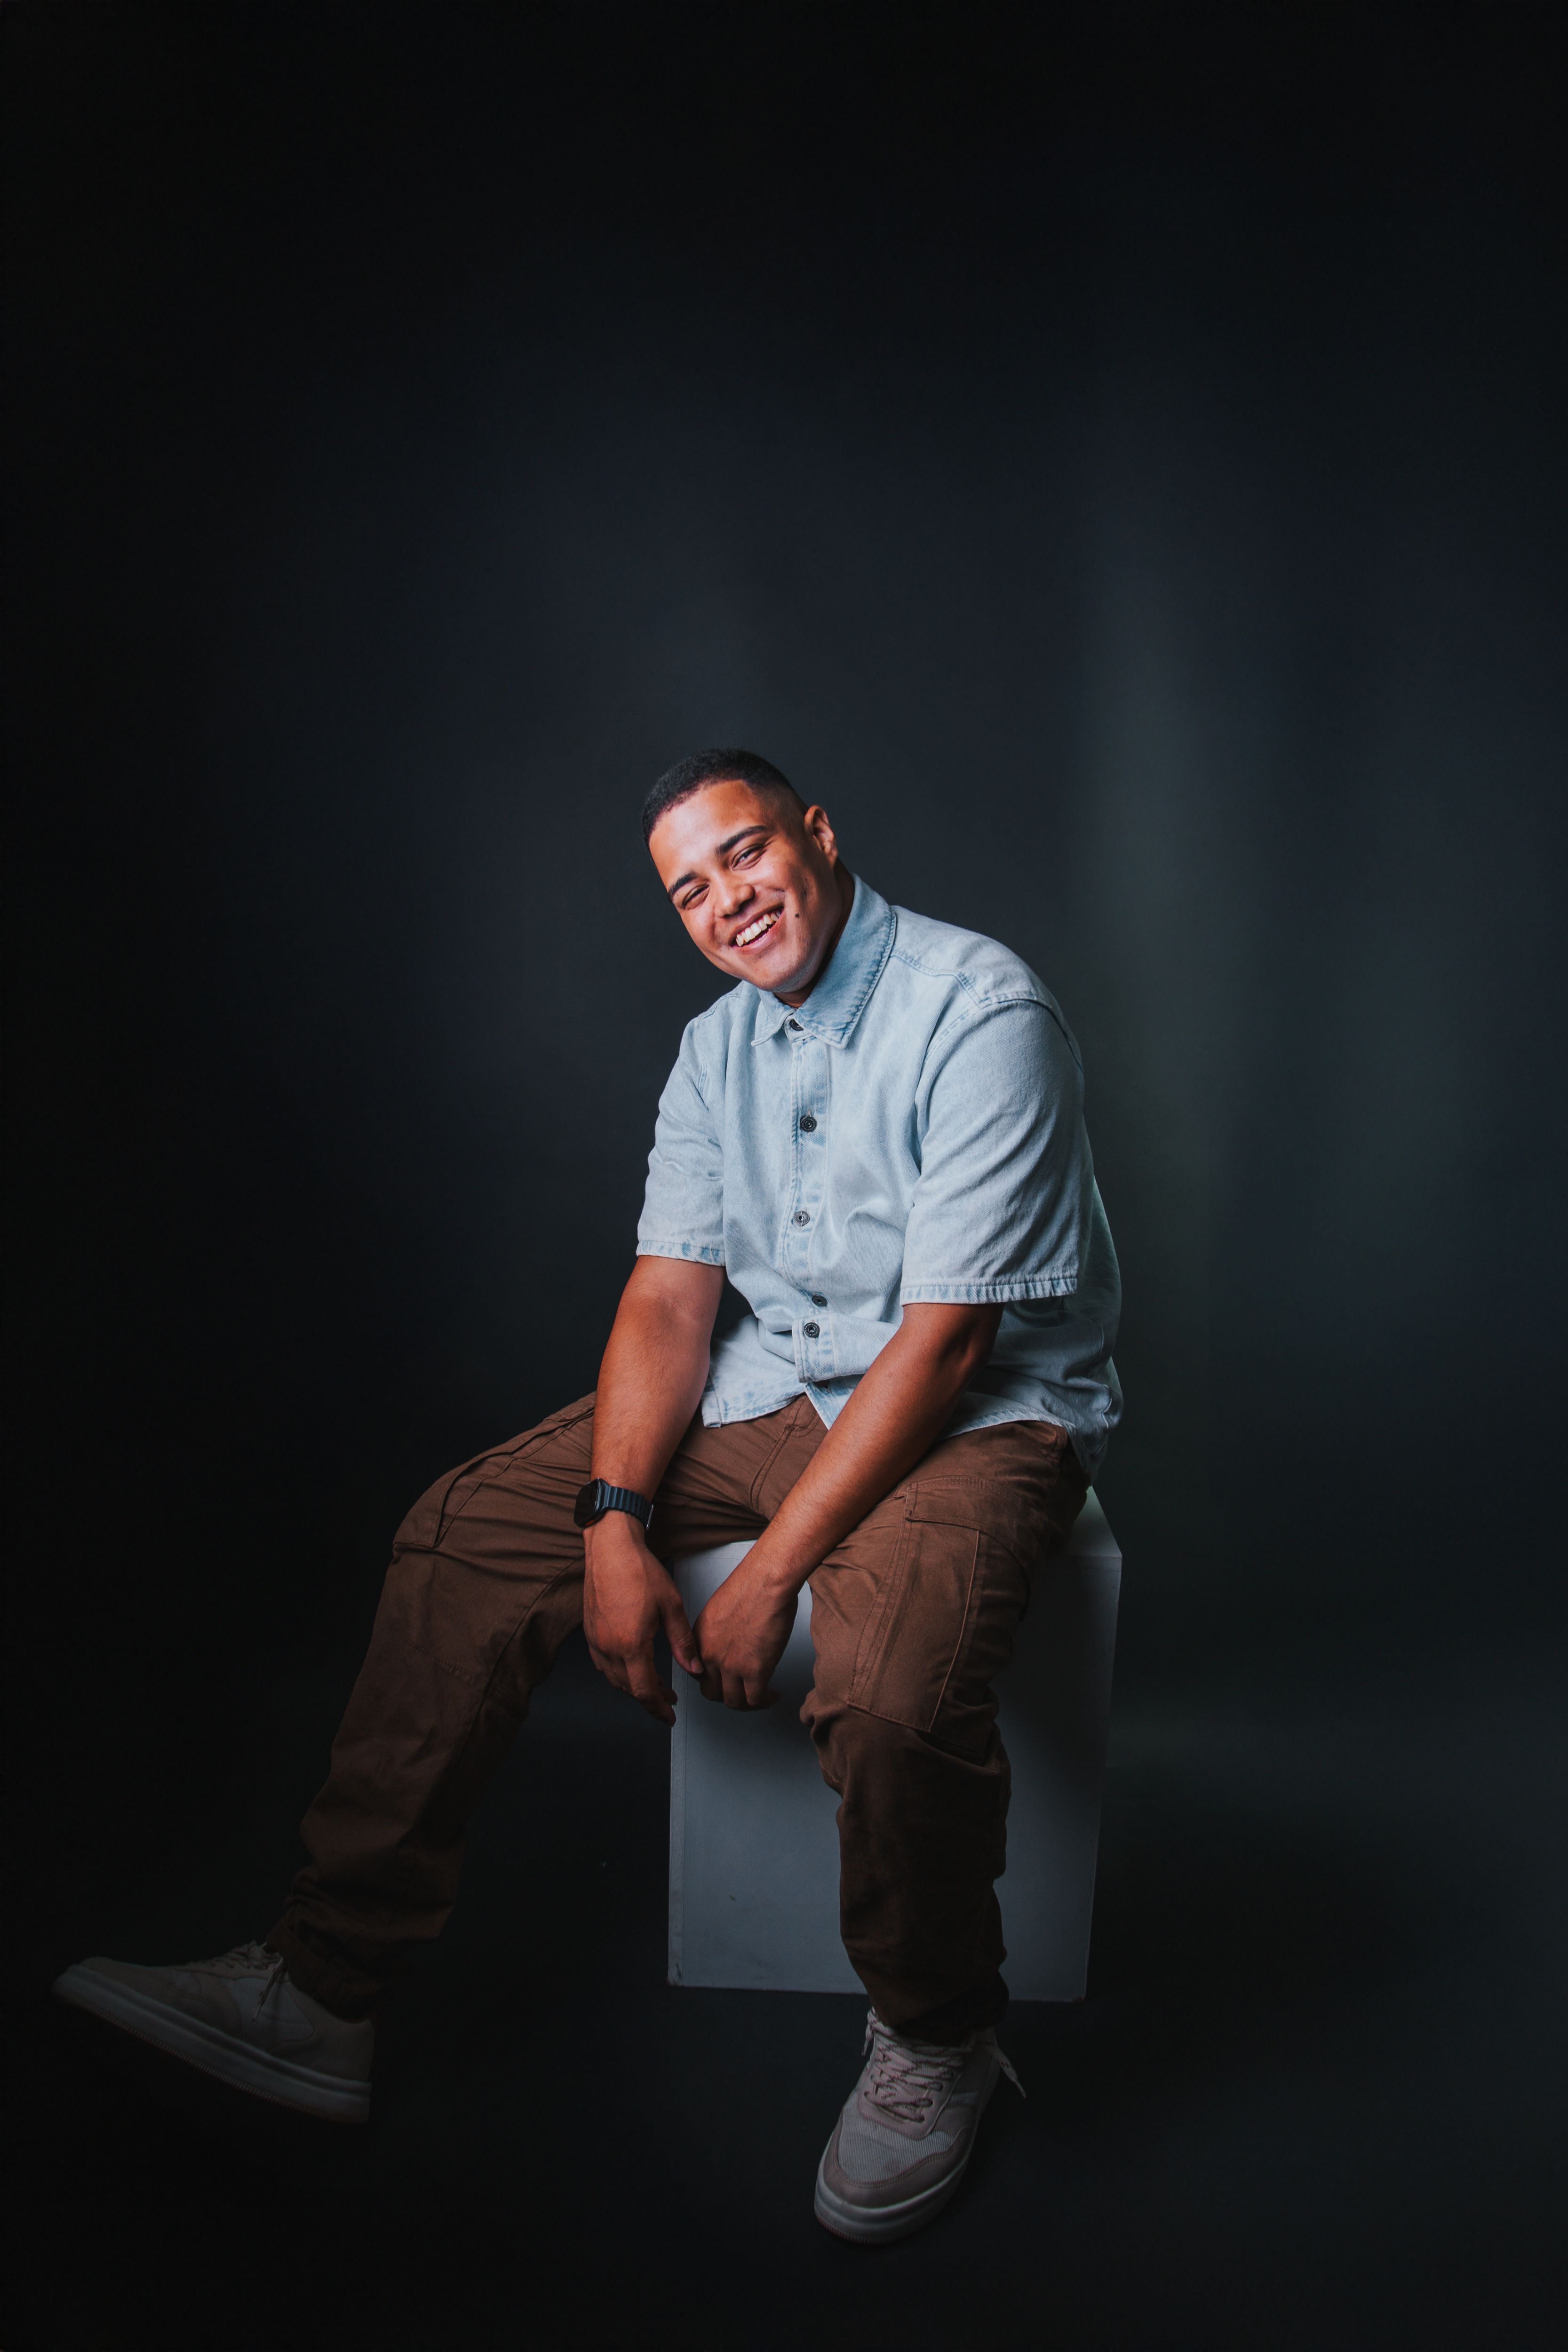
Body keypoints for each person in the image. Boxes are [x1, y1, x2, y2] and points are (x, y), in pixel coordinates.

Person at [56, 748, 1122, 2244]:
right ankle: (325, 1990)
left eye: (744, 855)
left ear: (818, 835)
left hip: (981, 1418)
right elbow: (670, 1299)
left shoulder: (981, 1009)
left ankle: (940, 2036)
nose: (726, 901)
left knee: (887, 1694)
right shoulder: (715, 1047)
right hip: (780, 1385)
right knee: (462, 1535)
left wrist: (770, 1573)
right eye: (689, 890)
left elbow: (946, 1347)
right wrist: (615, 1518)